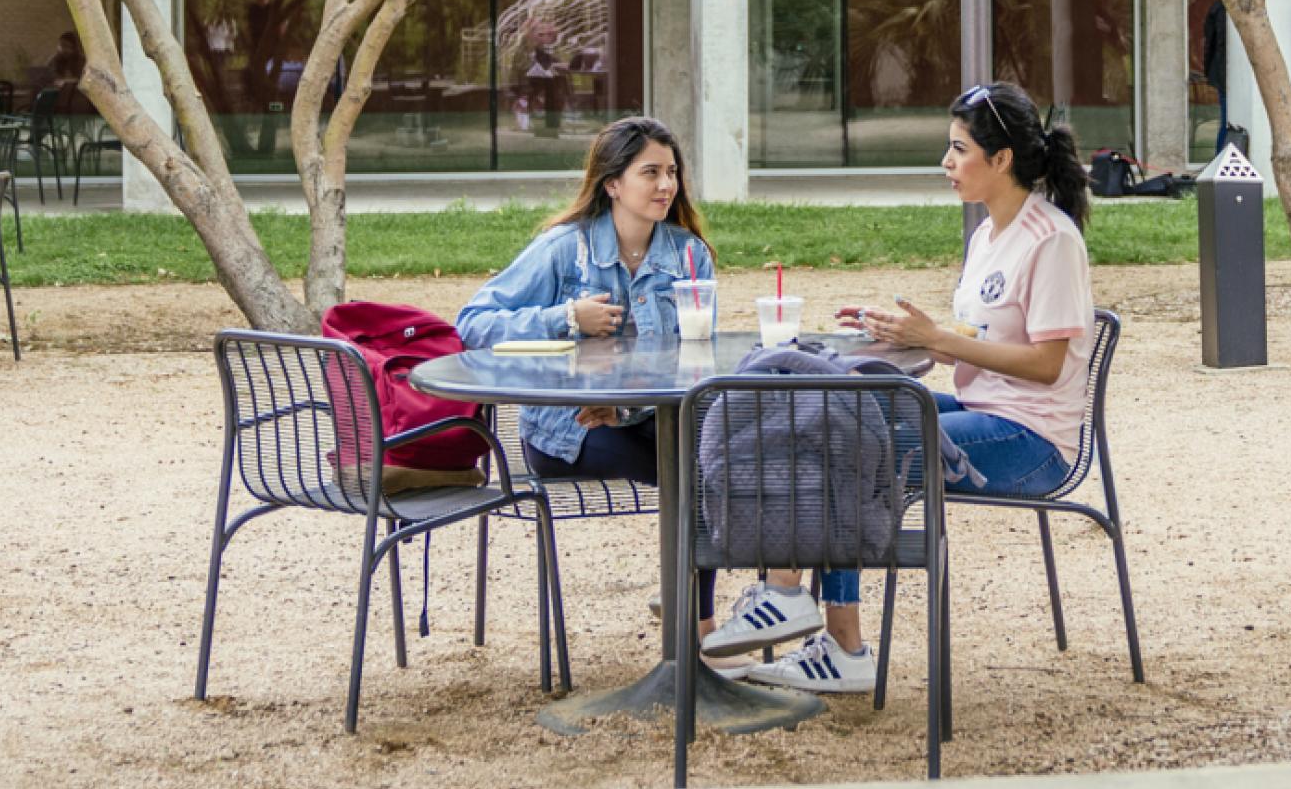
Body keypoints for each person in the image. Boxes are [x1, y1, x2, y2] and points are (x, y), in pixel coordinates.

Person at [720, 82, 1100, 693]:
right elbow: (980, 336)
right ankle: (811, 617)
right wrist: (905, 332)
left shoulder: (1050, 240)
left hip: (1031, 441)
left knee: (859, 451)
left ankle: (821, 625)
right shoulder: (988, 235)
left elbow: (1049, 366)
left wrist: (941, 341)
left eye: (958, 149)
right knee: (836, 419)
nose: (946, 164)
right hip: (982, 410)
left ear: (1001, 159)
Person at [453, 117, 722, 618]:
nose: (666, 185)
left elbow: (697, 365)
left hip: (648, 417)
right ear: (613, 184)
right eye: (650, 173)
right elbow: (473, 323)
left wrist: (626, 408)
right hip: (567, 430)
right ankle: (698, 627)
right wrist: (566, 317)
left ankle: (690, 606)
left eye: (672, 172)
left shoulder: (689, 257)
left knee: (714, 459)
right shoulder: (565, 249)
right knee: (697, 474)